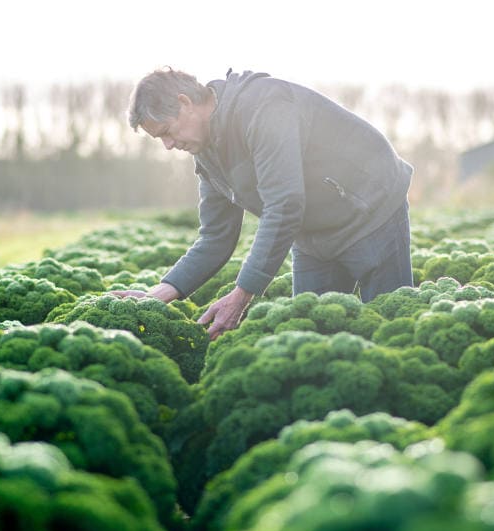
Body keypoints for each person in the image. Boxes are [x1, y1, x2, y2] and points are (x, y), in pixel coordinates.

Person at [119, 67, 414, 340]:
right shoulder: (206, 152)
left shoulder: (264, 107)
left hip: (370, 209)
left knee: (389, 328)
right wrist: (158, 293)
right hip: (312, 235)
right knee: (313, 336)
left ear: (185, 103)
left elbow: (284, 204)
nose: (169, 146)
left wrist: (242, 294)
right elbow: (215, 237)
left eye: (167, 132)